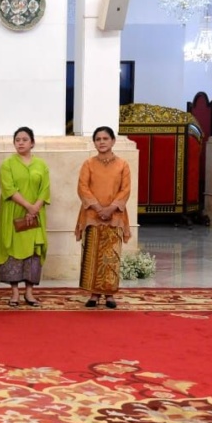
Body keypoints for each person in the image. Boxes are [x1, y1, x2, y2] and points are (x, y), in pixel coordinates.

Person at [75, 126, 132, 309]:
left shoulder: (123, 164)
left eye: (105, 138)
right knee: (92, 255)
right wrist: (99, 208)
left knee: (110, 256)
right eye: (98, 139)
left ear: (113, 141)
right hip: (92, 215)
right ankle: (93, 294)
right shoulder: (88, 164)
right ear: (94, 142)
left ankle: (109, 295)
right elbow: (83, 187)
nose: (101, 142)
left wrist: (111, 209)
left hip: (114, 216)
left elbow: (125, 189)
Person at [0, 127, 50, 307]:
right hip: (13, 213)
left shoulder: (41, 165)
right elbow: (8, 189)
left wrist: (35, 208)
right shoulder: (7, 164)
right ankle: (14, 293)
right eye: (17, 139)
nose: (20, 142)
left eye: (24, 139)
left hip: (34, 216)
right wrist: (28, 206)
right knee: (12, 252)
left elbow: (45, 189)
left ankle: (30, 292)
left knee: (33, 252)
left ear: (32, 143)